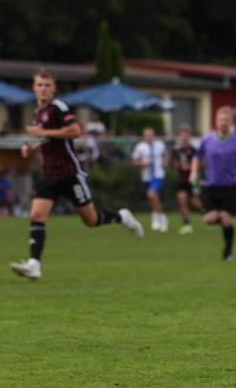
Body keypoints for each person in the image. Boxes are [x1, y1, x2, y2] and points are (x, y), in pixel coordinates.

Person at [9, 69, 143, 280]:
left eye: (47, 85)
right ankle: (34, 265)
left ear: (54, 88)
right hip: (49, 174)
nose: (43, 89)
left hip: (70, 174)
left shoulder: (59, 107)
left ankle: (122, 217)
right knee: (36, 215)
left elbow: (75, 131)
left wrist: (43, 133)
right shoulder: (38, 113)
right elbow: (46, 140)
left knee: (91, 220)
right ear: (34, 88)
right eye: (39, 85)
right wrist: (31, 148)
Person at [190, 107, 236, 261]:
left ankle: (228, 252)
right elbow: (197, 158)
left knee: (226, 219)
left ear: (231, 122)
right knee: (208, 219)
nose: (224, 122)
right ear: (216, 121)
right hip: (211, 186)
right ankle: (222, 217)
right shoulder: (207, 140)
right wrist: (193, 172)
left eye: (227, 120)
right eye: (221, 119)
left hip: (230, 187)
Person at [131, 127, 169, 232]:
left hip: (158, 175)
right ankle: (159, 217)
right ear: (144, 136)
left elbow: (165, 154)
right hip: (146, 176)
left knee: (151, 194)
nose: (149, 137)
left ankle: (160, 218)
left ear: (154, 135)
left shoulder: (160, 145)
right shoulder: (140, 147)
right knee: (152, 198)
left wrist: (165, 162)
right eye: (147, 135)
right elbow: (134, 161)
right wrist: (142, 163)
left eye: (151, 135)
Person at [171, 125, 201, 235]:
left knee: (195, 204)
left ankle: (207, 214)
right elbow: (174, 164)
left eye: (186, 134)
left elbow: (200, 163)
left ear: (189, 136)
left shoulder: (193, 150)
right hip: (182, 180)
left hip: (192, 180)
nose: (184, 136)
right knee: (182, 200)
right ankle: (187, 224)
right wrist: (179, 165)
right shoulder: (176, 150)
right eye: (182, 134)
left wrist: (191, 167)